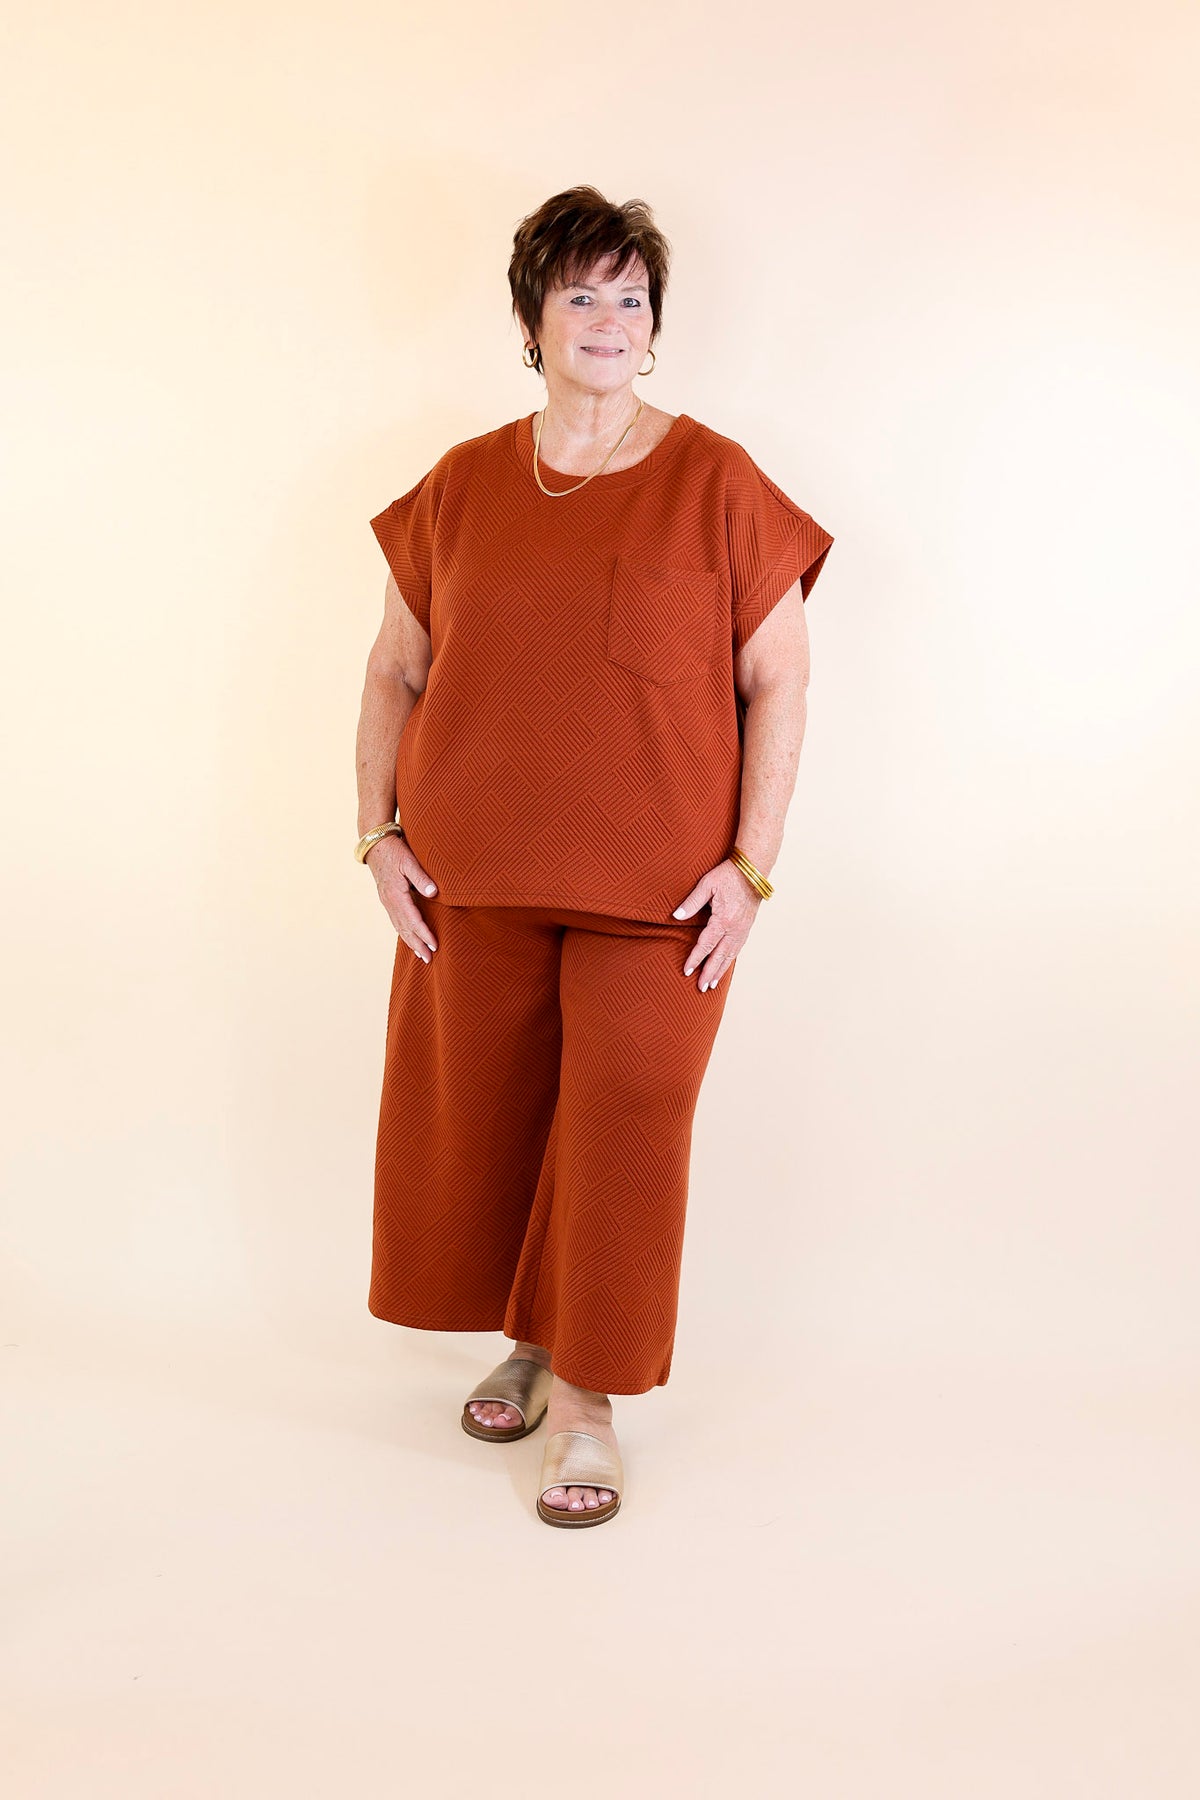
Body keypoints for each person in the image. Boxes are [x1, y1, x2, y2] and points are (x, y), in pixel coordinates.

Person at [354, 184, 834, 1529]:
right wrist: (377, 834)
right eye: (582, 294)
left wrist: (751, 867)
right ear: (534, 321)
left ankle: (586, 1399)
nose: (610, 319)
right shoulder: (461, 485)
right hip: (474, 881)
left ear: (655, 326)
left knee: (626, 1124)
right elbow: (394, 671)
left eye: (632, 296)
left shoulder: (717, 480)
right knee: (499, 1122)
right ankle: (530, 1339)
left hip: (658, 895)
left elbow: (782, 682)